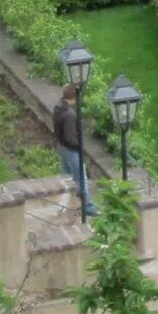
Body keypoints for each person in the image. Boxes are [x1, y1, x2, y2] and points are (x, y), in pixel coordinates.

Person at [53, 83, 91, 217]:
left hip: (61, 147)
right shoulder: (69, 114)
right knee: (81, 177)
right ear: (74, 98)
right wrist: (79, 146)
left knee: (67, 177)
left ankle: (69, 204)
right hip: (71, 149)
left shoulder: (58, 107)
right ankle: (86, 206)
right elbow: (70, 137)